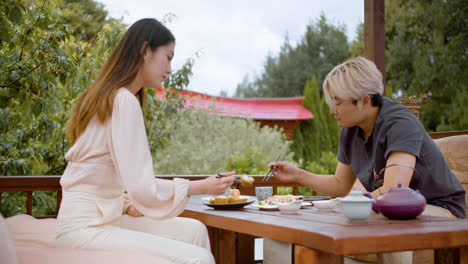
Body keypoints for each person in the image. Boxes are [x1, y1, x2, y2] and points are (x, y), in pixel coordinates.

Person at [55, 18, 235, 264]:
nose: (170, 69)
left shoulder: (109, 97)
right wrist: (200, 187)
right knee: (198, 258)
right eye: (168, 57)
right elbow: (142, 186)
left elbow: (97, 171)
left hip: (102, 217)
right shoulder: (121, 100)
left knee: (194, 231)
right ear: (145, 50)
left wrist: (126, 202)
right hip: (84, 228)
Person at [267, 56, 465, 264]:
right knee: (298, 225)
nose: (332, 111)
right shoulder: (350, 130)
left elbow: (393, 193)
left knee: (389, 217)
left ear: (365, 100)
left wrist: (345, 205)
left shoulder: (400, 122)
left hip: (442, 210)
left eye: (338, 103)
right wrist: (297, 175)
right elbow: (340, 184)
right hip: (393, 207)